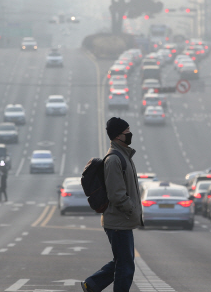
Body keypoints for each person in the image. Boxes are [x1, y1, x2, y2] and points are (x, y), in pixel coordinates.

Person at [82, 117, 142, 292]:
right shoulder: (114, 159)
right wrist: (131, 210)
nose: (130, 134)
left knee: (122, 262)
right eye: (127, 132)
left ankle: (92, 285)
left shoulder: (123, 155)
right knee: (125, 267)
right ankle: (92, 284)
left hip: (121, 221)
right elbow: (117, 195)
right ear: (117, 136)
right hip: (118, 221)